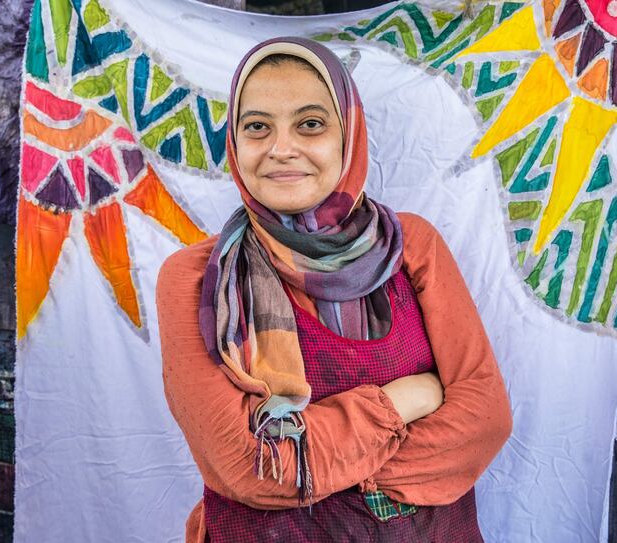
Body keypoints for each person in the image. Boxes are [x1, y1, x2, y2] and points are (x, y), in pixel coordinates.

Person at [156, 37, 512, 543]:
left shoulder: (411, 247)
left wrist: (315, 468)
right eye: (257, 127)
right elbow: (250, 469)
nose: (282, 148)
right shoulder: (195, 279)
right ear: (234, 143)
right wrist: (403, 401)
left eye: (310, 124)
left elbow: (484, 420)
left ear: (349, 135)